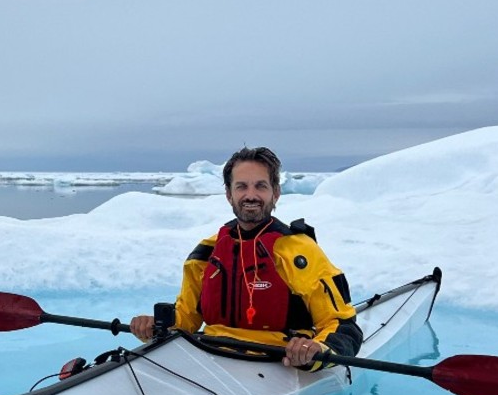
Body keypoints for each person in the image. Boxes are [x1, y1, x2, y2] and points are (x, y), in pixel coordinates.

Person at [130, 146, 362, 370]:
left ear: (276, 193)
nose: (251, 195)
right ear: (229, 195)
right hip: (211, 355)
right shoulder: (206, 252)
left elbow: (343, 327)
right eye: (242, 187)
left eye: (260, 186)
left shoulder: (300, 251)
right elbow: (187, 319)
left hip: (279, 362)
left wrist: (316, 349)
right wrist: (155, 326)